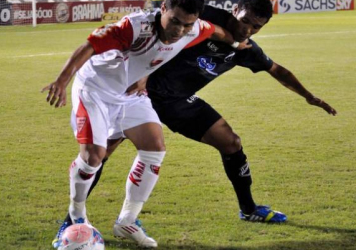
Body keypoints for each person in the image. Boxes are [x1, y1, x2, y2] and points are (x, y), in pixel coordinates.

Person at [58, 0, 338, 232]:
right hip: (140, 93)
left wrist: (308, 95)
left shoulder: (245, 48)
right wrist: (143, 74)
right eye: (246, 21)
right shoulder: (202, 15)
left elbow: (277, 70)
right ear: (236, 8)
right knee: (100, 154)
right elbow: (162, 25)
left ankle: (249, 209)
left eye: (257, 27)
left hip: (178, 103)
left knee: (231, 143)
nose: (248, 30)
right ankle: (72, 221)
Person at [42, 0, 246, 248]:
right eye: (175, 21)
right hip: (95, 90)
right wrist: (61, 81)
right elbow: (89, 46)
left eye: (187, 25)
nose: (179, 30)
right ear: (163, 10)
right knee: (93, 157)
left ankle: (127, 220)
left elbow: (215, 30)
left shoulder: (195, 28)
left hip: (129, 94)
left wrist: (235, 43)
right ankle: (76, 218)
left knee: (154, 148)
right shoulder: (134, 27)